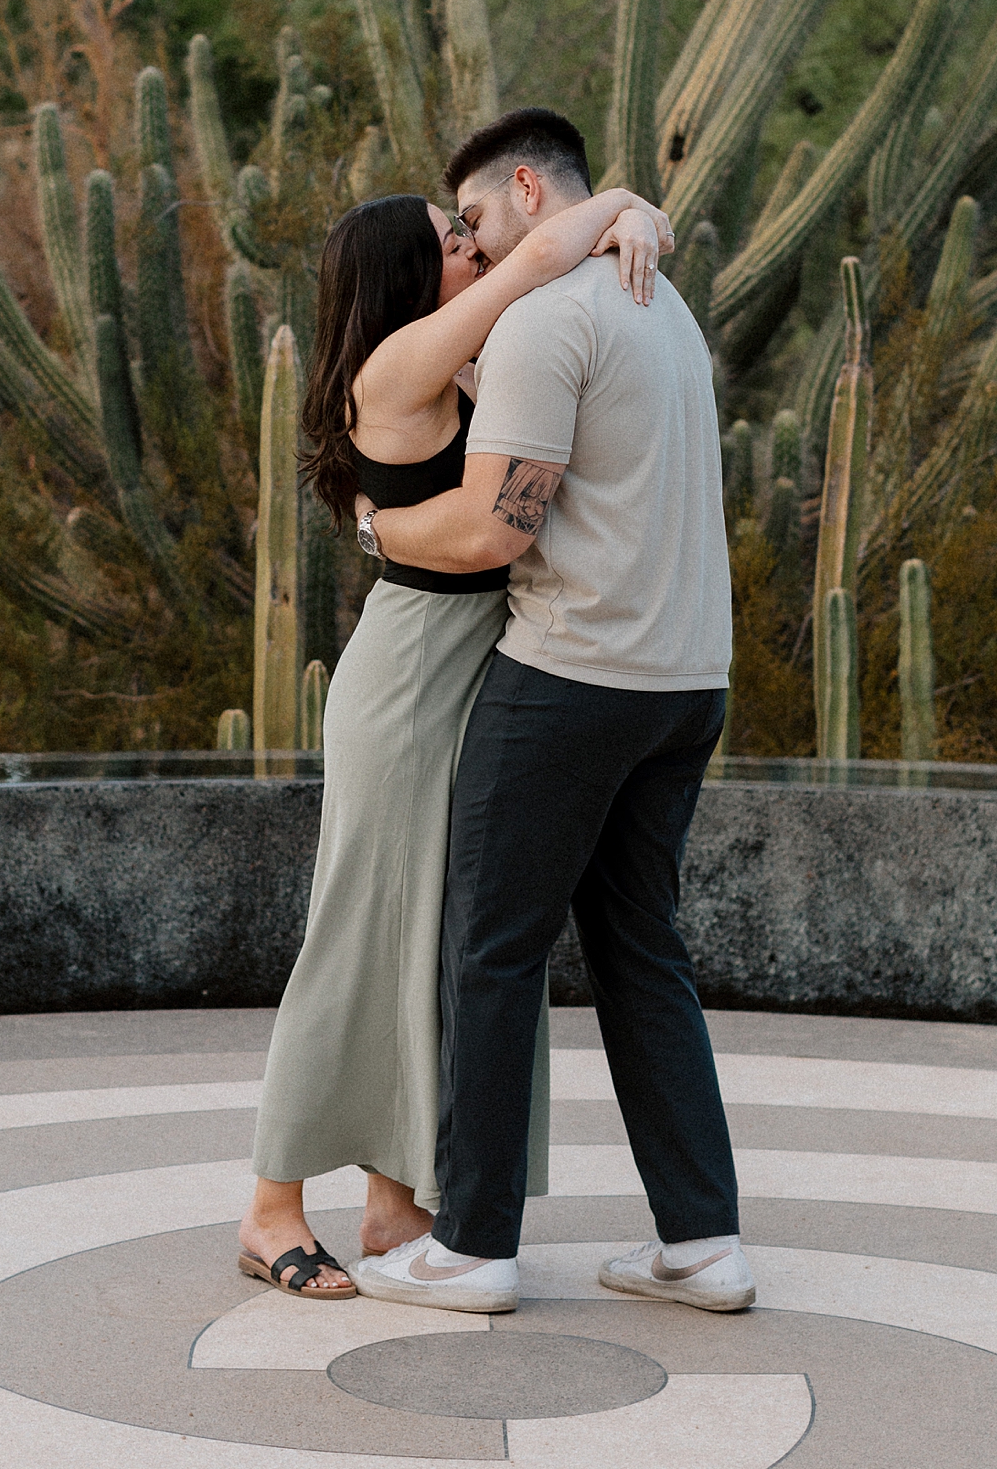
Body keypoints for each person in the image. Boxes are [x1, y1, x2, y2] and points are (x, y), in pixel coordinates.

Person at [237, 177, 673, 1300]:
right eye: (448, 242)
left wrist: (629, 219)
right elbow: (535, 261)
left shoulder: (455, 357)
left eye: (465, 231)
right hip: (409, 676)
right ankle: (269, 1205)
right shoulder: (400, 364)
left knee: (437, 944)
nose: (472, 249)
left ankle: (398, 1198)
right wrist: (619, 201)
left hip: (476, 673)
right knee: (354, 935)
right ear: (402, 273)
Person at [352, 106, 749, 1318]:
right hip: (689, 684)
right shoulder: (658, 302)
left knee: (491, 947)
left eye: (470, 216)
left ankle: (472, 1246)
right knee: (642, 957)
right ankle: (702, 1241)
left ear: (527, 189)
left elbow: (490, 528)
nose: (466, 244)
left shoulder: (544, 318)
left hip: (572, 678)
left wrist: (373, 529)